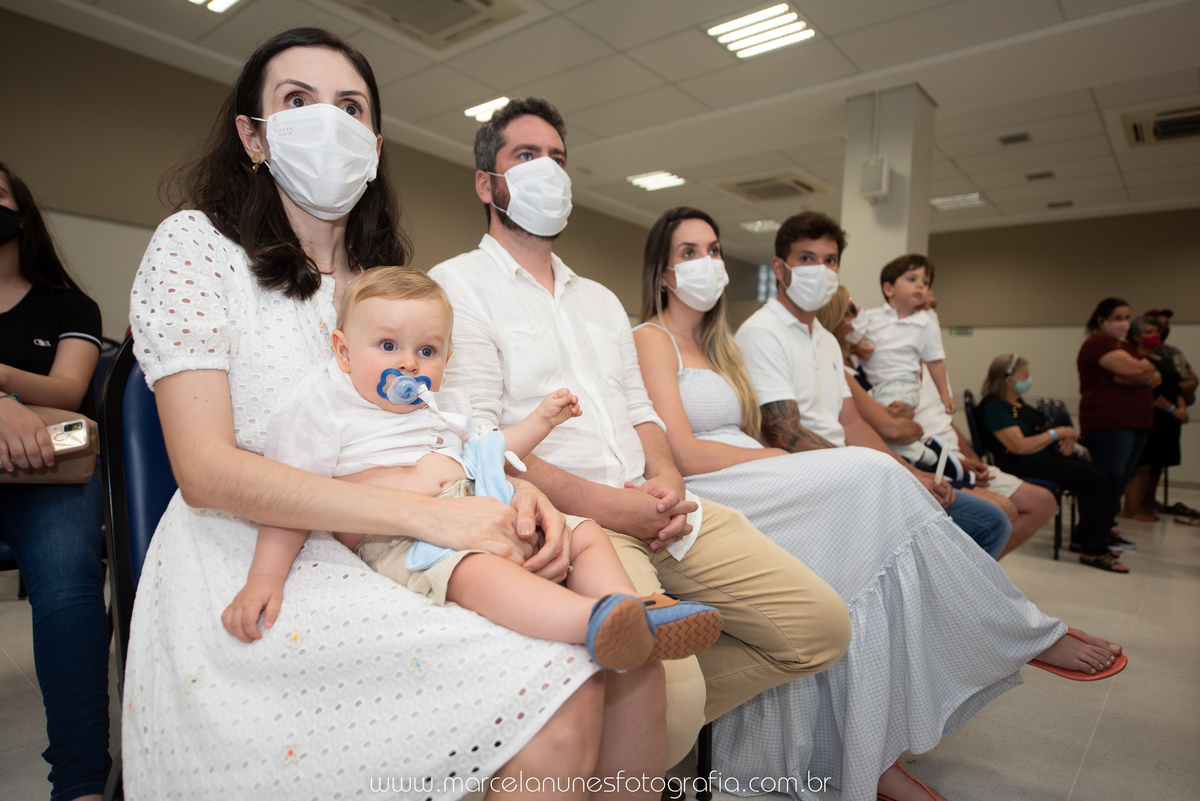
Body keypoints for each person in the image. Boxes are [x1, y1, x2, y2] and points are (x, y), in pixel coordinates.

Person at [124, 30, 667, 799]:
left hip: (414, 526)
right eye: (297, 101)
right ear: (252, 134)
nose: (328, 122)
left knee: (634, 664)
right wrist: (432, 519)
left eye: (350, 107)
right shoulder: (196, 247)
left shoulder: (389, 284)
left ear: (373, 145)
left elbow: (446, 424)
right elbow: (206, 470)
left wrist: (515, 488)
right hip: (254, 552)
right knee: (560, 678)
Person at [634, 206, 1126, 801]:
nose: (707, 263)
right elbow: (682, 450)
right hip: (713, 482)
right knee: (872, 476)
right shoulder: (650, 338)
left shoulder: (720, 346)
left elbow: (816, 425)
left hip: (752, 470)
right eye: (689, 253)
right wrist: (795, 464)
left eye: (713, 250)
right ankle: (1020, 630)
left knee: (856, 570)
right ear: (663, 274)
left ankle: (869, 753)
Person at [428, 97, 852, 768]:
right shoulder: (455, 287)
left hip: (662, 509)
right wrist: (615, 507)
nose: (548, 171)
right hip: (581, 522)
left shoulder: (599, 301)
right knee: (673, 703)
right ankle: (634, 721)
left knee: (821, 629)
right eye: (526, 156)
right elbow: (480, 445)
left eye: (558, 159)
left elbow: (643, 413)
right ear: (487, 183)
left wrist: (666, 481)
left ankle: (617, 724)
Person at [222, 266, 720, 673]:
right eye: (389, 346)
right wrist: (265, 577)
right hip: (401, 537)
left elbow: (491, 455)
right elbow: (290, 497)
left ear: (446, 356)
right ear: (343, 351)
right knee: (472, 571)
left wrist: (541, 421)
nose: (410, 364)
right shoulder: (323, 406)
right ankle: (594, 621)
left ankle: (631, 607)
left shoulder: (443, 406)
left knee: (586, 534)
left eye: (427, 350)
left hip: (482, 508)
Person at [735, 212, 1011, 559]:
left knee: (992, 521)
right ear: (779, 268)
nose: (820, 269)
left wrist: (910, 474)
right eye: (806, 258)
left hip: (850, 471)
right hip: (812, 481)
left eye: (830, 260)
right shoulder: (763, 333)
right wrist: (877, 473)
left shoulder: (825, 340)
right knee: (983, 524)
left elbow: (852, 423)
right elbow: (786, 434)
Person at [0, 162, 108, 801]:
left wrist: (6, 386)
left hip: (50, 469)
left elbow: (69, 390)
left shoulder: (69, 305)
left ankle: (81, 780)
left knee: (68, 583)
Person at [822, 286, 1057, 557]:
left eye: (931, 308)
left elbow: (918, 424)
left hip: (928, 455)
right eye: (852, 310)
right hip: (904, 460)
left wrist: (958, 457)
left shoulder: (910, 370)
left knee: (1008, 513)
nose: (927, 317)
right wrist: (915, 461)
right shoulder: (858, 370)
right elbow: (893, 429)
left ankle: (964, 584)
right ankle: (958, 585)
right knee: (997, 516)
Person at [977, 354, 1126, 572]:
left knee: (1109, 476)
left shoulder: (1017, 403)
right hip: (1024, 462)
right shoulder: (994, 406)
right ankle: (1093, 550)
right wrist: (1057, 434)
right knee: (1097, 481)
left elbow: (1042, 431)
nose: (1029, 379)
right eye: (1025, 375)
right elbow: (1019, 446)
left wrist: (1064, 436)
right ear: (1009, 380)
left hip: (1044, 456)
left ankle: (1084, 537)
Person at [846, 254, 956, 469]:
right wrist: (857, 348)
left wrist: (945, 395)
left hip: (902, 384)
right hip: (875, 384)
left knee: (886, 427)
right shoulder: (871, 316)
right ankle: (917, 454)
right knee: (871, 424)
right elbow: (849, 340)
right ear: (889, 289)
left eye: (925, 282)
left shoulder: (926, 324)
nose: (920, 286)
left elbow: (935, 362)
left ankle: (923, 455)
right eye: (912, 279)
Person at [1077, 297, 1156, 550]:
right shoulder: (1096, 345)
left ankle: (1107, 527)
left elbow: (1155, 375)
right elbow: (1139, 371)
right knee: (1108, 478)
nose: (1124, 323)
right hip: (1109, 423)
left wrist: (1140, 376)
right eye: (1118, 317)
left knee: (1122, 478)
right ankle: (1092, 534)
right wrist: (1141, 374)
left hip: (1135, 422)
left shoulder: (1124, 347)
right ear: (1102, 320)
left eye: (1127, 317)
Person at [1122, 316, 1188, 522]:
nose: (1155, 336)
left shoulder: (1163, 357)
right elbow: (1149, 391)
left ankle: (1148, 500)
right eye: (1148, 332)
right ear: (1136, 336)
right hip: (1152, 415)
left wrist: (1181, 408)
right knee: (1143, 464)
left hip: (1169, 418)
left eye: (1156, 332)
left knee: (1156, 464)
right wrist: (1172, 410)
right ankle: (1132, 507)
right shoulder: (1136, 360)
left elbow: (1177, 386)